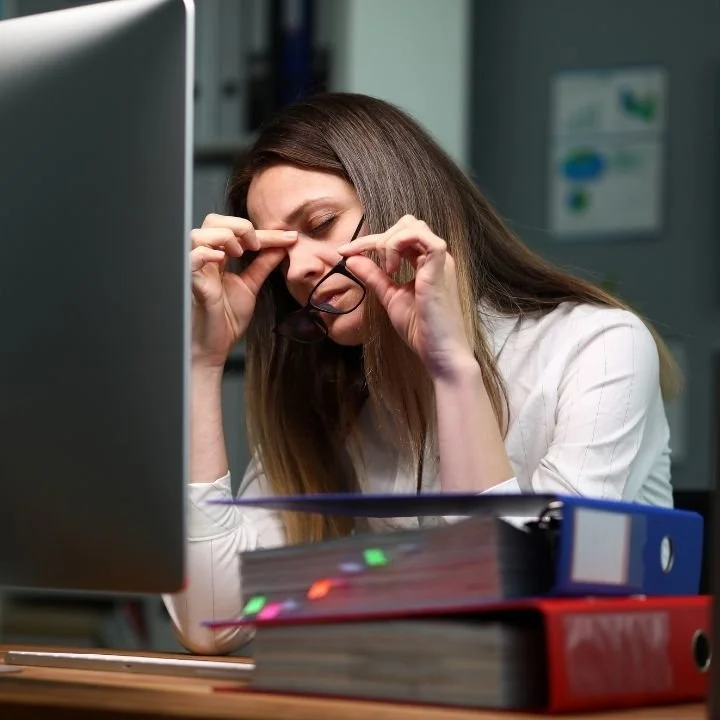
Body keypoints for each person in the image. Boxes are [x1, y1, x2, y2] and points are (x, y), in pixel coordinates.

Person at [164, 92, 678, 654]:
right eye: (279, 253)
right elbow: (214, 619)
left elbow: (522, 616)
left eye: (321, 223)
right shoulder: (329, 391)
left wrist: (452, 368)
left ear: (398, 200)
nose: (299, 270)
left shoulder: (595, 346)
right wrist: (201, 361)